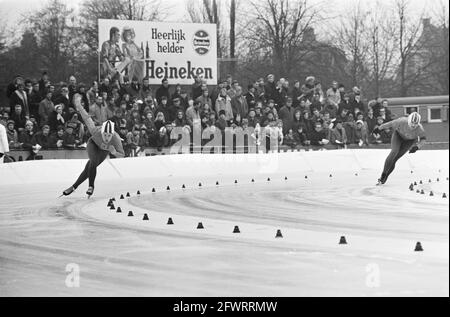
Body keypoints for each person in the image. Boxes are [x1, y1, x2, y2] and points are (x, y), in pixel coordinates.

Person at [62, 94, 125, 197]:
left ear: (112, 134)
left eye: (109, 135)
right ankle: (91, 186)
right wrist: (78, 105)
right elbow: (86, 117)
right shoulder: (95, 131)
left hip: (104, 150)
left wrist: (114, 153)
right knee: (93, 162)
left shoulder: (115, 139)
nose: (107, 137)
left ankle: (74, 186)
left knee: (90, 168)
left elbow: (122, 155)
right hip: (93, 144)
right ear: (102, 132)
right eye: (105, 134)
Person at [374, 112, 426, 185]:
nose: (413, 126)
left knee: (395, 159)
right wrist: (379, 128)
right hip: (398, 136)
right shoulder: (401, 121)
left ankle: (385, 177)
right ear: (408, 121)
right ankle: (383, 174)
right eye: (412, 123)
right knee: (394, 152)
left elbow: (423, 139)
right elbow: (390, 123)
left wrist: (417, 147)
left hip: (409, 141)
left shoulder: (420, 129)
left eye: (415, 124)